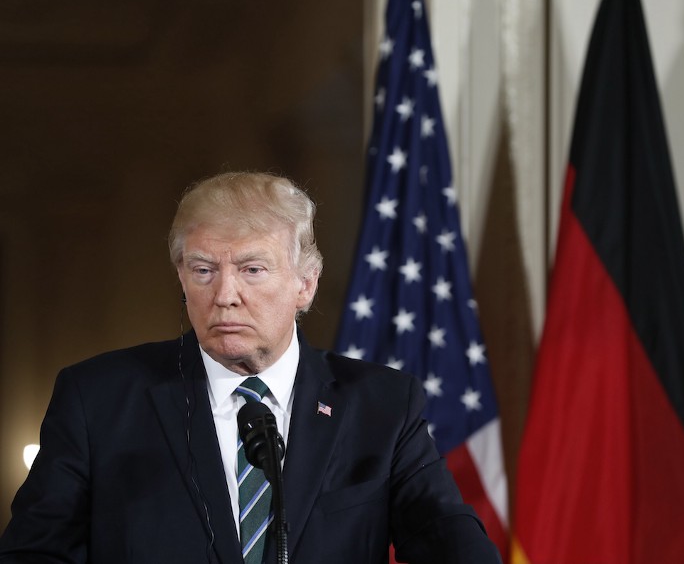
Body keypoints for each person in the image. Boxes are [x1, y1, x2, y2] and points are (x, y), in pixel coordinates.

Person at [0, 172, 501, 563]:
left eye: (252, 270)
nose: (225, 296)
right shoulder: (100, 400)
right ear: (181, 277)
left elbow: (451, 542)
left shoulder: (381, 406)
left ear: (305, 284)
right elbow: (34, 553)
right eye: (203, 270)